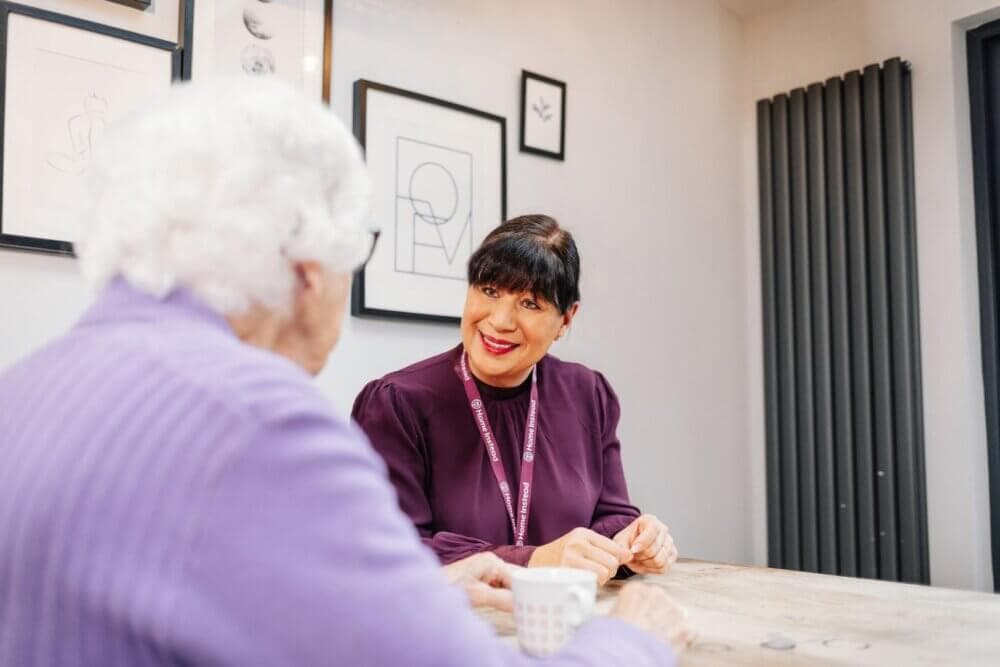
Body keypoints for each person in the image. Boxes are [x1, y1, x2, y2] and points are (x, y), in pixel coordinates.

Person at [0, 78, 692, 666]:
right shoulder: (263, 421)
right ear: (308, 270)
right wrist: (630, 640)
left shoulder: (25, 388)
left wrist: (429, 587)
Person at [353, 216, 678, 585]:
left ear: (566, 320)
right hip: (448, 632)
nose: (501, 320)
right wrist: (535, 560)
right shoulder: (396, 405)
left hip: (566, 624)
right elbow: (392, 550)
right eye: (489, 291)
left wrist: (633, 541)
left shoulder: (589, 394)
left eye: (529, 303)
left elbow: (611, 514)